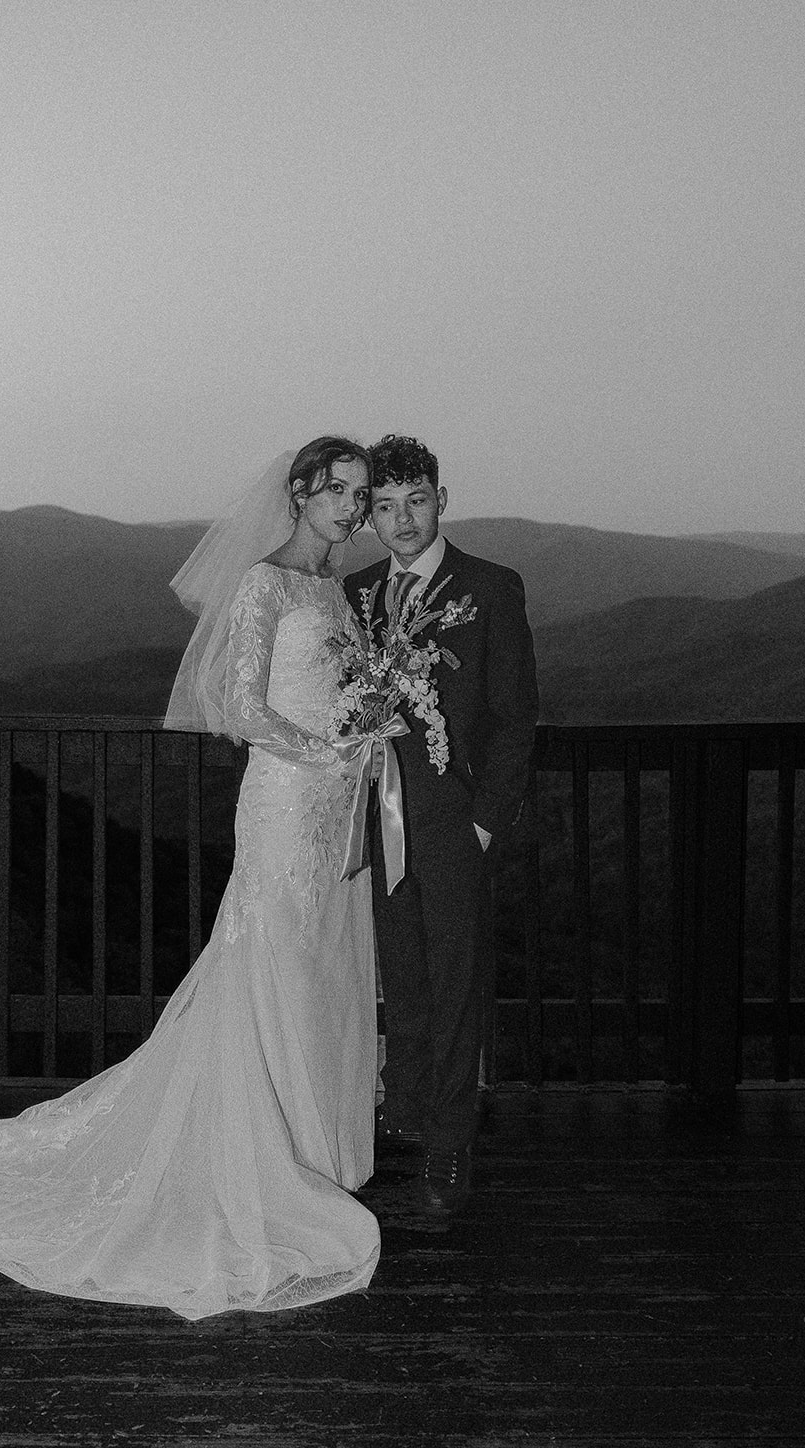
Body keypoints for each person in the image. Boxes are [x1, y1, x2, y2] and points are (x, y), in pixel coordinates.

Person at [0, 437, 381, 1320]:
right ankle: (263, 1155)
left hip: (337, 803)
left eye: (362, 496)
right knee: (276, 962)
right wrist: (326, 747)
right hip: (289, 800)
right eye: (340, 493)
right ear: (298, 494)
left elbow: (338, 684)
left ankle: (315, 1154)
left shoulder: (334, 588)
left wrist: (364, 730)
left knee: (324, 967)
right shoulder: (262, 583)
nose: (353, 510)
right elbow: (238, 703)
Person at [344, 435, 538, 1219]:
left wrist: (485, 823)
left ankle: (451, 1137)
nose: (401, 520)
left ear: (440, 499)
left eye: (414, 501)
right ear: (371, 519)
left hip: (455, 823)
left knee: (459, 981)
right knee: (405, 972)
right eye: (384, 508)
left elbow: (515, 717)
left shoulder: (490, 586)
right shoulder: (357, 593)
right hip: (379, 819)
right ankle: (408, 1111)